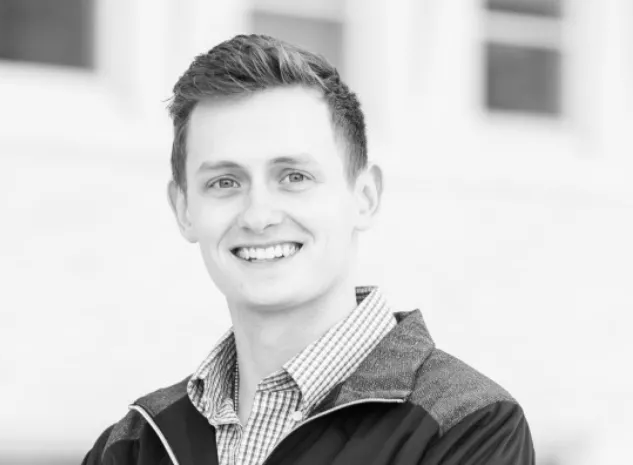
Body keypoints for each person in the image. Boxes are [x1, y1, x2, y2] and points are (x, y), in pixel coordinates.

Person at [81, 34, 535, 465]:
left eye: (294, 177)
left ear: (364, 197)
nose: (258, 215)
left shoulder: (468, 426)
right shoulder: (133, 445)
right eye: (224, 182)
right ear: (183, 209)